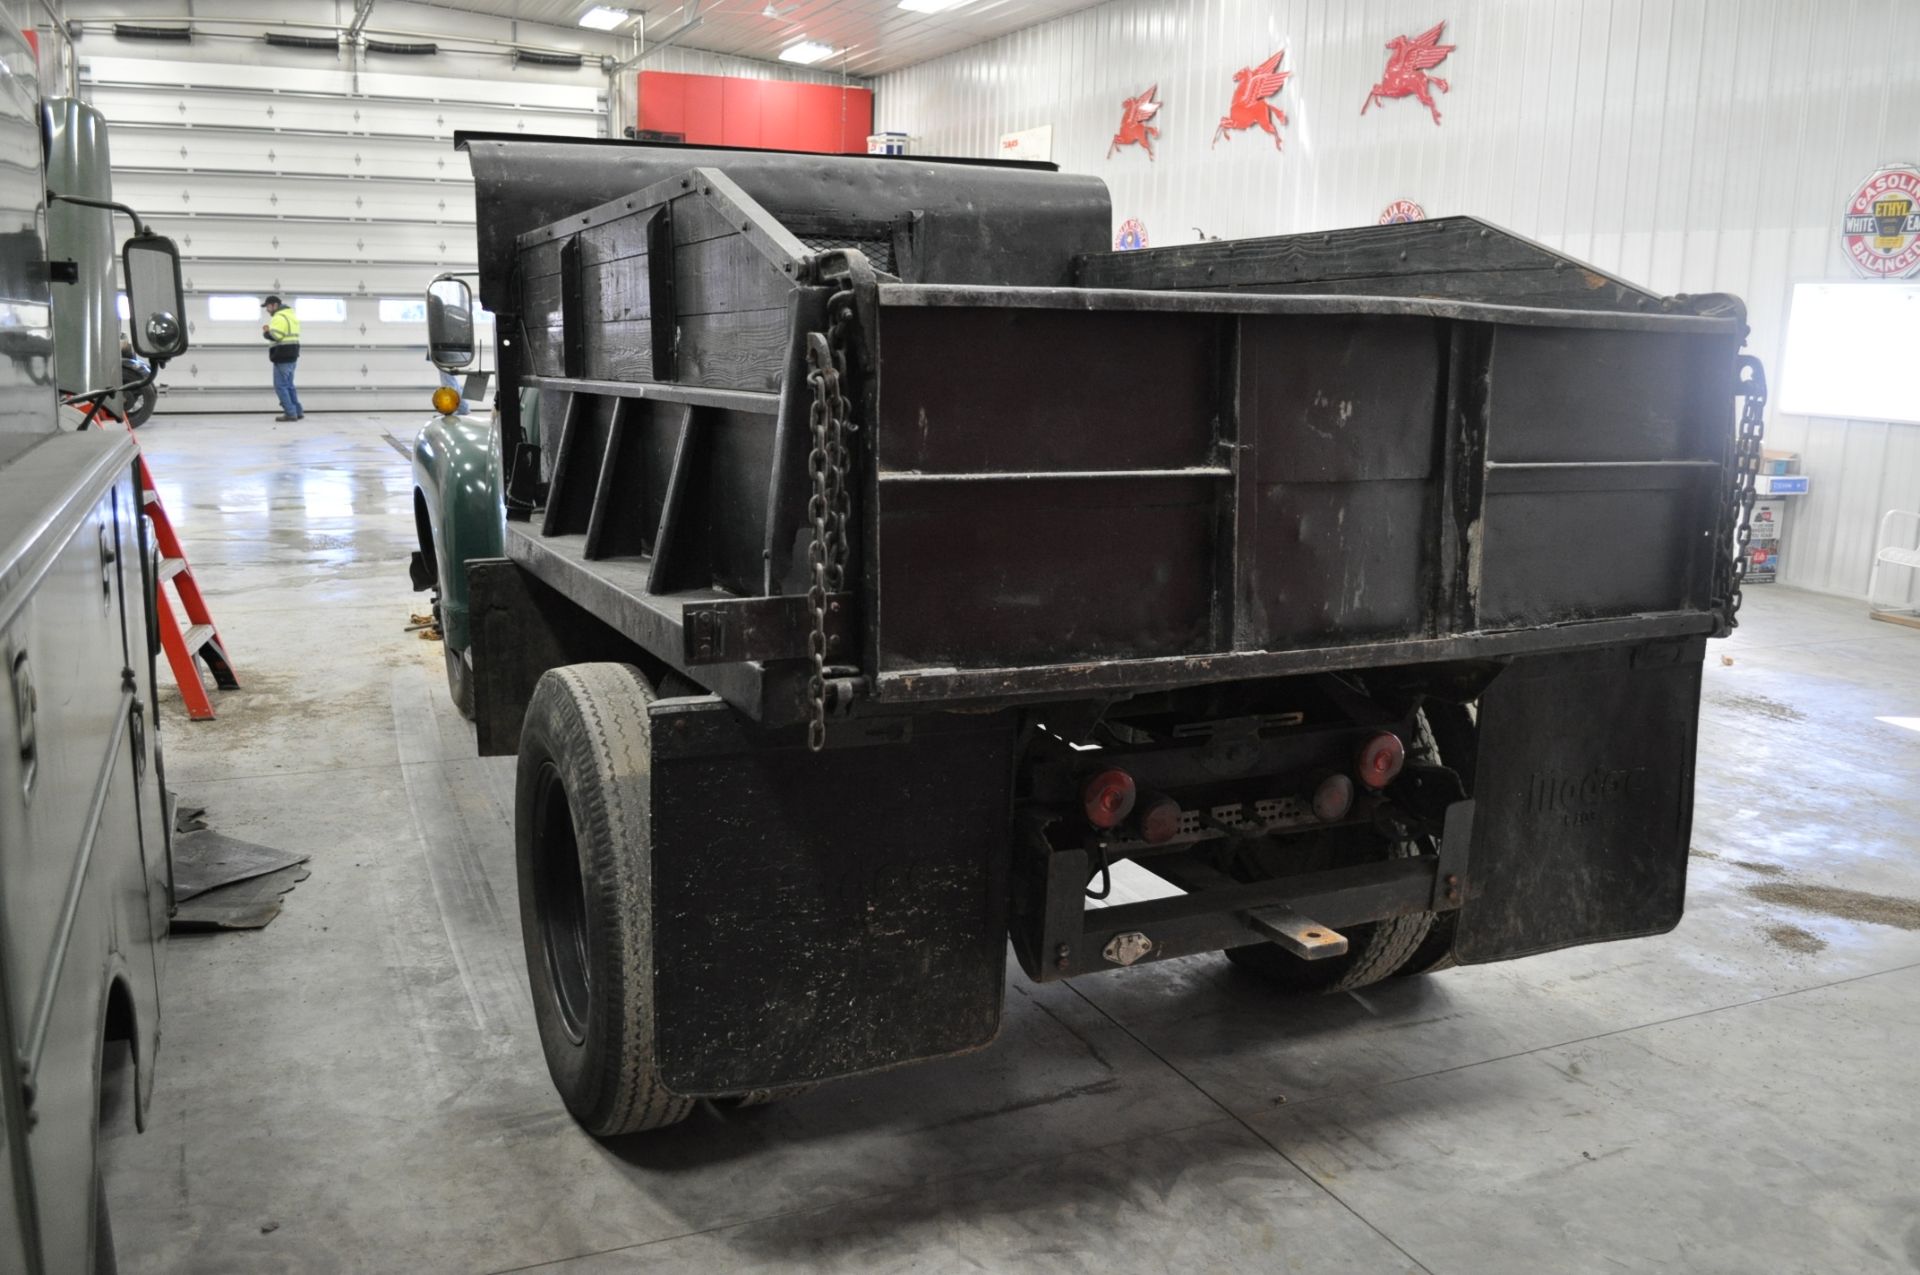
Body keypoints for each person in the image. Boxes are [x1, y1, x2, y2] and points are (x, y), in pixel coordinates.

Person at [261, 295, 303, 420]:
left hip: (282, 355)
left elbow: (277, 336)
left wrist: (266, 333)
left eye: (268, 307)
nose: (267, 310)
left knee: (280, 386)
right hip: (292, 354)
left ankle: (290, 413)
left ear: (274, 305)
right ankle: (297, 411)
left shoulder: (278, 317)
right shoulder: (291, 316)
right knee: (289, 385)